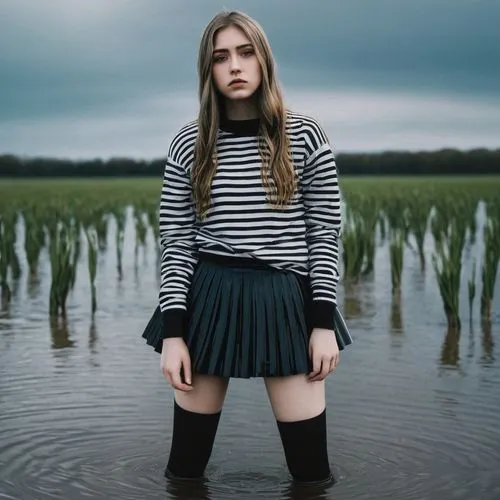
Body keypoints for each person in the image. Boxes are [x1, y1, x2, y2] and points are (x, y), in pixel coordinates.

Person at [142, 9, 352, 487]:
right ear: (208, 70)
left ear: (264, 61)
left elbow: (324, 234)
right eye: (221, 57)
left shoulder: (304, 136)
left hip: (286, 299)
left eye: (245, 52)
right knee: (184, 473)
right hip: (207, 298)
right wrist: (174, 334)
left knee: (312, 476)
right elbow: (176, 242)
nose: (234, 66)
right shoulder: (187, 143)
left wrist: (323, 324)